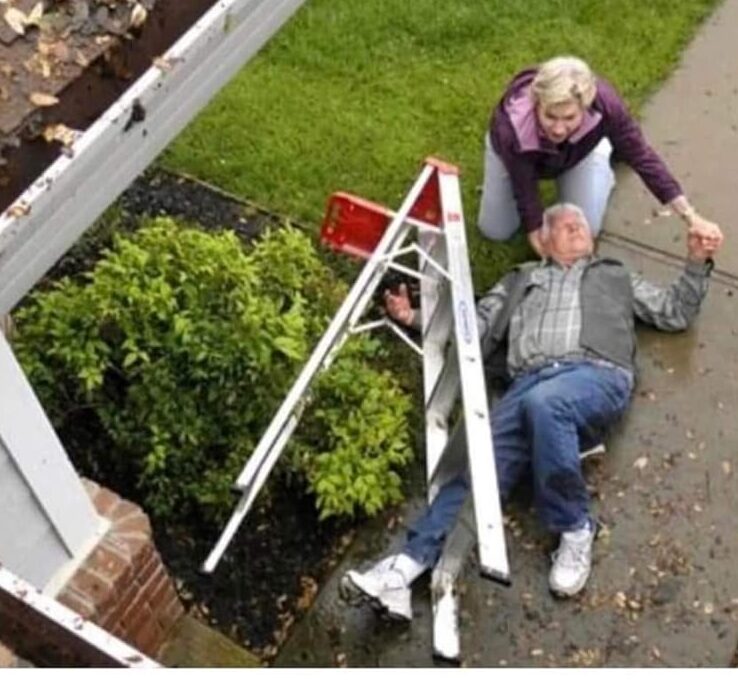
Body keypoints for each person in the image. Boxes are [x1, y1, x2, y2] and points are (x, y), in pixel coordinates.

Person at [340, 202, 718, 621]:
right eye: (566, 226)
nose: (578, 230)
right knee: (478, 470)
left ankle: (575, 527)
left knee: (548, 404)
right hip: (527, 384)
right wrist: (414, 317)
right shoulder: (519, 280)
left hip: (594, 374)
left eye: (582, 226)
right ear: (544, 240)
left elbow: (673, 312)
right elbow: (472, 327)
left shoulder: (613, 273)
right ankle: (403, 569)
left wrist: (697, 263)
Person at [478, 55, 723, 256]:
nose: (559, 129)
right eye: (550, 116)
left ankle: (601, 152)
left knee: (589, 226)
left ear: (585, 106)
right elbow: (526, 191)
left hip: (577, 151)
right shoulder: (512, 126)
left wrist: (692, 217)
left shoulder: (607, 106)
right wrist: (543, 246)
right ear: (536, 103)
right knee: (496, 230)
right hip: (514, 155)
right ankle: (593, 148)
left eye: (570, 118)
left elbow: (643, 158)